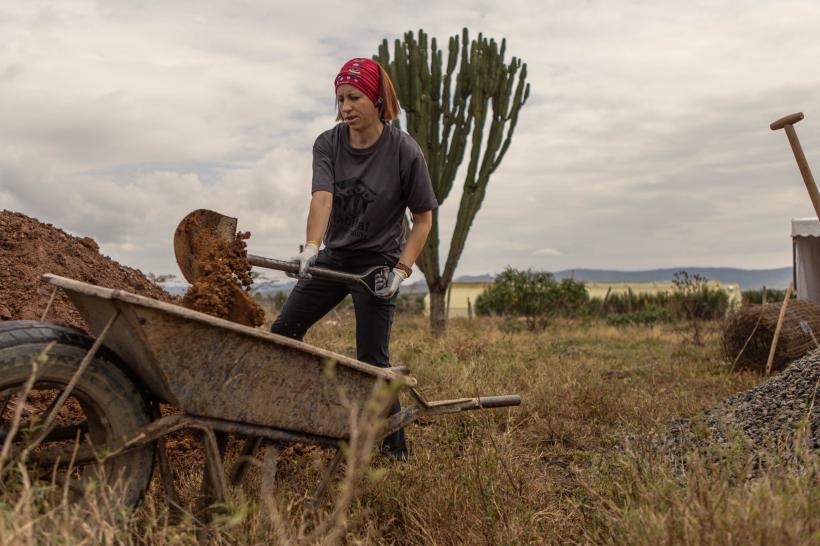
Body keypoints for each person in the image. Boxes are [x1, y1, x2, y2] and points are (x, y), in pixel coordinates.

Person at [270, 58, 437, 460]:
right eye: (340, 98)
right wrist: (312, 246)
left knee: (372, 361)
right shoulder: (328, 143)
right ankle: (282, 419)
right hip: (336, 257)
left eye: (354, 97)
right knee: (282, 333)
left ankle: (395, 454)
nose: (345, 107)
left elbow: (424, 218)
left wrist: (400, 270)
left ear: (377, 99)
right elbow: (322, 197)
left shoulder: (403, 151)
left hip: (379, 263)